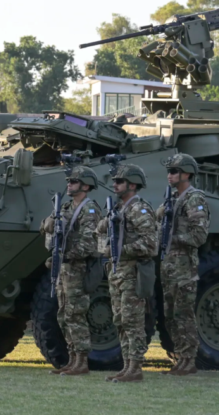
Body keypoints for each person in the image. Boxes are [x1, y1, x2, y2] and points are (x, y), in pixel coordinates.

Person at [95, 164, 157, 383]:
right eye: (115, 181)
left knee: (133, 321)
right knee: (120, 320)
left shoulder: (139, 209)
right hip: (117, 272)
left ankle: (136, 367)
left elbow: (150, 244)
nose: (115, 185)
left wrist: (122, 249)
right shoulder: (118, 209)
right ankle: (127, 366)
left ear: (132, 184)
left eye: (119, 181)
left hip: (132, 272)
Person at [40, 165, 101, 375]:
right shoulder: (65, 208)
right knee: (64, 314)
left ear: (85, 185)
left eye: (73, 182)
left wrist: (65, 254)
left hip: (78, 268)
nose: (69, 185)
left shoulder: (89, 209)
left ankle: (81, 361)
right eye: (69, 181)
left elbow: (89, 244)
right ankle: (72, 358)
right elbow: (45, 227)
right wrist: (50, 223)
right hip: (64, 269)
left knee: (76, 314)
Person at [158, 154, 210, 376]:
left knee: (183, 314)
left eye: (175, 171)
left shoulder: (194, 199)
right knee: (170, 315)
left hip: (184, 266)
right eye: (169, 171)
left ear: (187, 174)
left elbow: (199, 236)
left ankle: (189, 360)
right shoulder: (171, 199)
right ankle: (180, 358)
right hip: (169, 265)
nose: (170, 175)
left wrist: (172, 235)